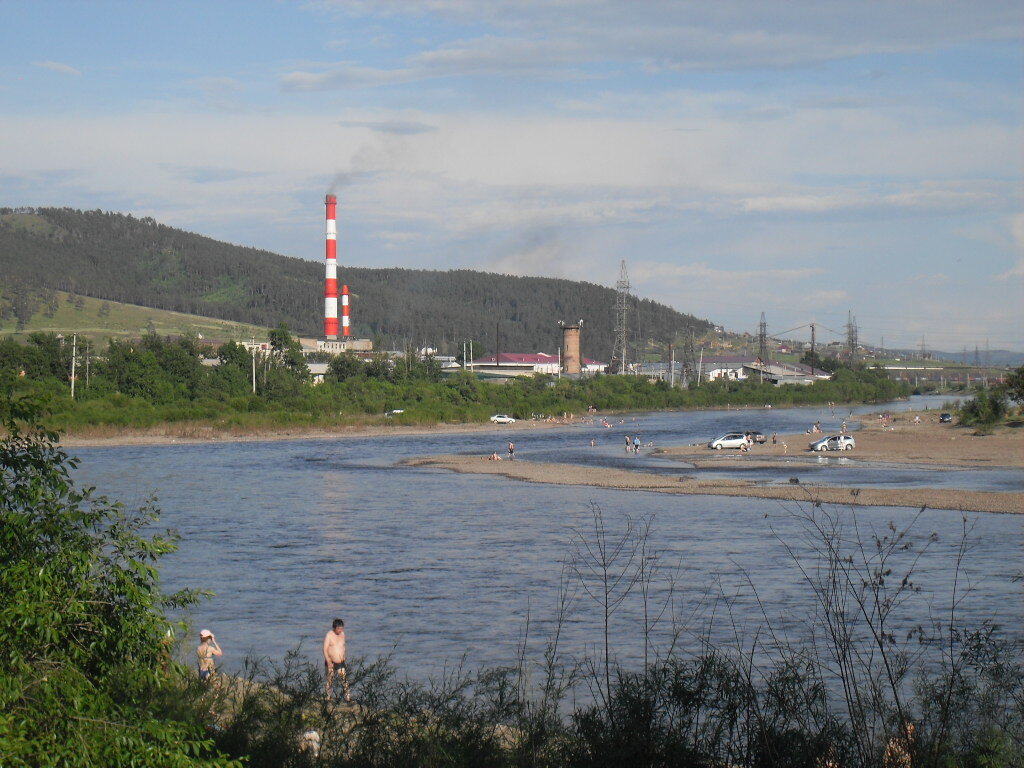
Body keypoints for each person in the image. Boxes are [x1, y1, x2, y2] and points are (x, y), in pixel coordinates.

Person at [324, 618, 351, 702]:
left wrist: (344, 655)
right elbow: (325, 649)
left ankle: (348, 698)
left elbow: (343, 646)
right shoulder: (329, 635)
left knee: (344, 680)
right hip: (331, 662)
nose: (340, 630)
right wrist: (328, 661)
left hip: (341, 662)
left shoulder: (342, 634)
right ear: (334, 628)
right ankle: (328, 697)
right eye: (339, 628)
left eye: (341, 628)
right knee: (329, 680)